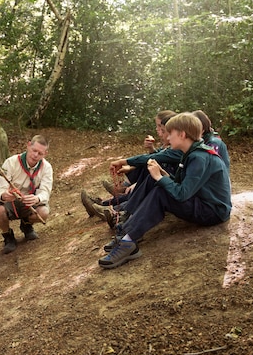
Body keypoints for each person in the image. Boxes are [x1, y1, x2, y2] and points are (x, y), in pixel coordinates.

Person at [98, 112, 232, 269]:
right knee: (160, 185)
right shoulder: (192, 153)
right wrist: (162, 175)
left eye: (171, 134)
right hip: (202, 201)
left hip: (214, 211)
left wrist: (160, 178)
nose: (168, 138)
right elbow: (182, 184)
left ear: (182, 134)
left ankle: (128, 241)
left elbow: (181, 194)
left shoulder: (199, 157)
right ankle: (128, 235)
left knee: (161, 191)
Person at [0, 135, 53, 254]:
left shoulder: (47, 168)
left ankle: (26, 225)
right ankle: (7, 236)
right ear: (28, 145)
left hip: (30, 202)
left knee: (44, 212)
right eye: (34, 150)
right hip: (11, 202)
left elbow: (45, 192)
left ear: (45, 153)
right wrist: (5, 195)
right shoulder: (11, 162)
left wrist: (37, 198)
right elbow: (1, 189)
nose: (35, 155)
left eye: (40, 153)